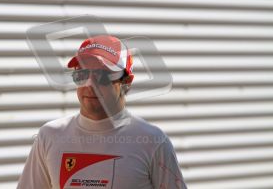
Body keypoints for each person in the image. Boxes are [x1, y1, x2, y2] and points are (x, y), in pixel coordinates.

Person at [17, 35, 187, 189]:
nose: (89, 84)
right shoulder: (50, 136)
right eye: (82, 74)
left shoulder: (153, 142)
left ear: (126, 81)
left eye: (102, 75)